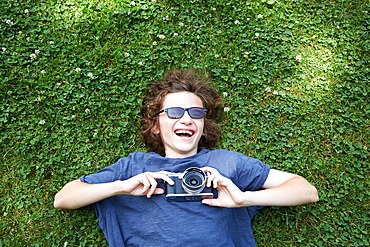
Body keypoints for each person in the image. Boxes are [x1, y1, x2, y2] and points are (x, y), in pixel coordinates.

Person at [54, 69, 318, 247]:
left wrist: (243, 199)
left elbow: (306, 191)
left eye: (196, 113)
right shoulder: (134, 166)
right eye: (175, 112)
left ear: (204, 126)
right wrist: (122, 187)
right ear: (155, 126)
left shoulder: (227, 163)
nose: (186, 119)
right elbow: (64, 198)